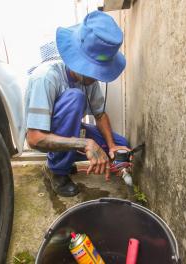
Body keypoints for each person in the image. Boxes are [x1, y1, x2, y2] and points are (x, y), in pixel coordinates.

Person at [25, 10, 130, 197]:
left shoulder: (89, 79)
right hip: (46, 134)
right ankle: (56, 170)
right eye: (96, 70)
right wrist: (86, 143)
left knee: (122, 148)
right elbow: (34, 138)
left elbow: (99, 114)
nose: (98, 76)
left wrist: (111, 145)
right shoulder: (46, 78)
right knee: (75, 98)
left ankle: (69, 156)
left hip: (70, 130)